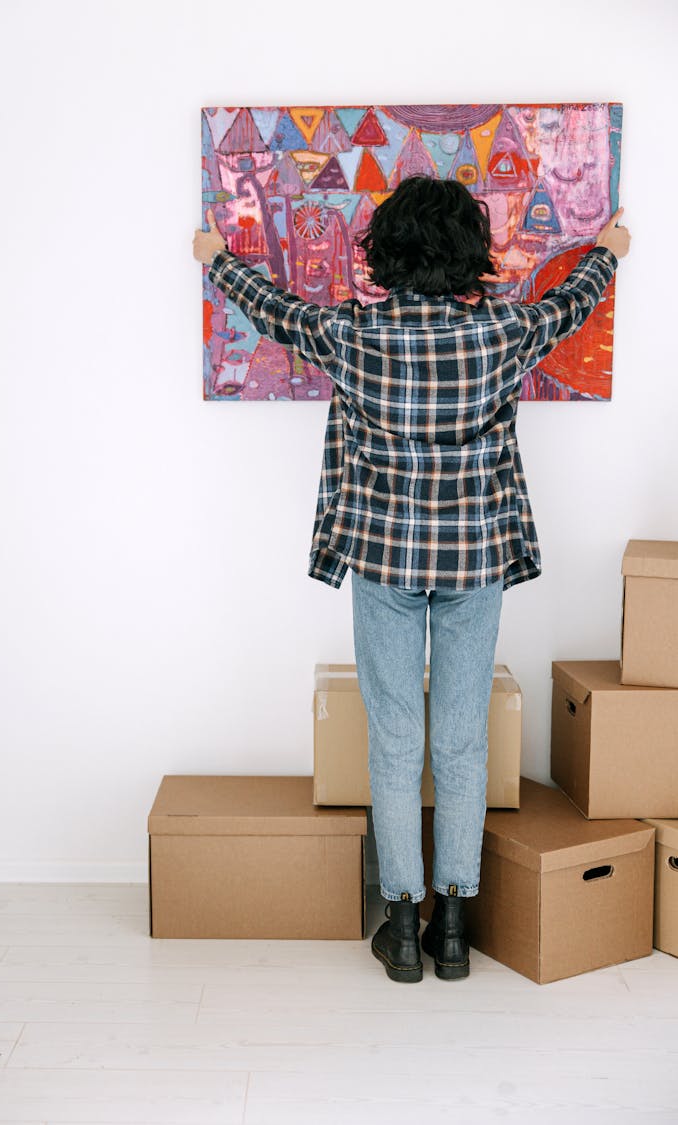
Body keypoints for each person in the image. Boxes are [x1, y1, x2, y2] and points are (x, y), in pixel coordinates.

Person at [193, 176, 630, 984]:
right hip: (475, 560)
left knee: (396, 741)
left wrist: (216, 258)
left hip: (385, 561)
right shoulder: (504, 330)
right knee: (462, 741)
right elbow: (572, 302)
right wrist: (607, 251)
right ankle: (453, 928)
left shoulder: (354, 335)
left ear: (385, 253)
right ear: (470, 253)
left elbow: (275, 309)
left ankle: (400, 928)